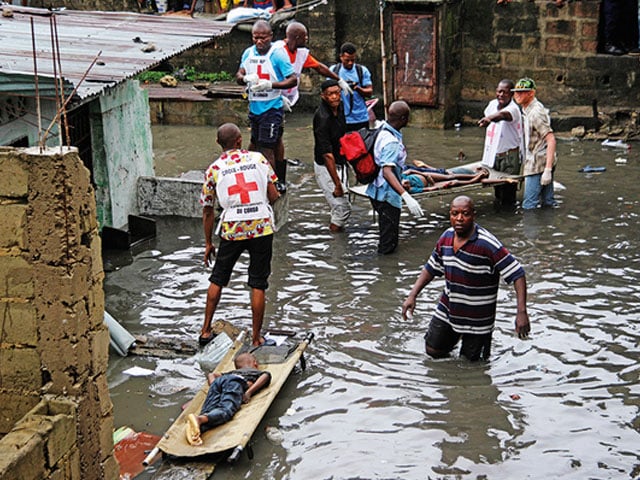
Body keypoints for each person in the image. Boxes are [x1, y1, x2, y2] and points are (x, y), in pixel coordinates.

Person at [402, 195, 530, 361]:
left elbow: (517, 274)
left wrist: (521, 312)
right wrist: (412, 295)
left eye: (465, 213)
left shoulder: (487, 244)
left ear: (473, 215)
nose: (459, 218)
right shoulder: (446, 237)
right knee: (433, 350)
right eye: (455, 214)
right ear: (450, 215)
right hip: (449, 308)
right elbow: (431, 268)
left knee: (472, 365)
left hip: (478, 318)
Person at [199, 123, 280, 348]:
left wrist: (207, 243)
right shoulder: (259, 159)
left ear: (219, 144)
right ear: (240, 141)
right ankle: (256, 337)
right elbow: (273, 195)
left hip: (232, 227)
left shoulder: (214, 169)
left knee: (218, 278)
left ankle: (205, 330)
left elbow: (207, 210)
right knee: (258, 283)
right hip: (261, 226)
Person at [236, 20, 297, 190]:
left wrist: (270, 85)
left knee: (267, 147)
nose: (259, 41)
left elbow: (293, 79)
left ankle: (272, 184)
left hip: (272, 107)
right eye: (256, 38)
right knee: (260, 142)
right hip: (255, 107)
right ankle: (271, 177)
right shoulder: (248, 53)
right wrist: (244, 78)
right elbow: (239, 73)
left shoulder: (277, 54)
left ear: (270, 36)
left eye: (263, 38)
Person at [366, 101, 424, 254]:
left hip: (376, 191)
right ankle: (386, 273)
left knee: (386, 234)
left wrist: (400, 179)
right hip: (387, 196)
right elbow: (387, 172)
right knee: (388, 244)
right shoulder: (391, 141)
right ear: (404, 118)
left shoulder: (382, 130)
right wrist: (406, 197)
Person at [185, 352, 271, 446]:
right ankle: (199, 419)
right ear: (255, 363)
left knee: (209, 411)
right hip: (234, 383)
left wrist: (215, 386)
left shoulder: (231, 373)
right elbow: (266, 376)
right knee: (226, 410)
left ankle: (198, 428)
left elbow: (211, 374)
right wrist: (249, 392)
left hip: (219, 382)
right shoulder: (254, 372)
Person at [275, 22, 351, 108]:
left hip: (288, 98)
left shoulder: (300, 52)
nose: (307, 38)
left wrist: (339, 80)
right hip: (273, 98)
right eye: (305, 36)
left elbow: (319, 67)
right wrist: (278, 97)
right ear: (297, 37)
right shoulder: (277, 51)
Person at [511, 78, 558, 210]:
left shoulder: (535, 113)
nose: (518, 95)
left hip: (537, 163)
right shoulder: (528, 109)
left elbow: (551, 139)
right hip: (542, 159)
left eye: (522, 92)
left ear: (531, 93)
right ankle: (548, 226)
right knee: (548, 202)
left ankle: (530, 229)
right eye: (516, 92)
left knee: (528, 205)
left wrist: (547, 170)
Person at [478, 79, 523, 207]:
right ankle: (498, 213)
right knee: (497, 190)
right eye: (499, 91)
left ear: (512, 94)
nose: (501, 95)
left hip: (509, 157)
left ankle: (509, 218)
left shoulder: (514, 109)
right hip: (494, 155)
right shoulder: (492, 104)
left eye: (505, 92)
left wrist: (489, 119)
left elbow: (503, 115)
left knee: (508, 191)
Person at [313, 79, 350, 232]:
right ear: (323, 96)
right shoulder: (322, 118)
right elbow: (327, 155)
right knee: (342, 209)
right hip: (326, 165)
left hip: (340, 160)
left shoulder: (340, 107)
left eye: (337, 93)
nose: (335, 97)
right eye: (330, 95)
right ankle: (335, 246)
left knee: (343, 204)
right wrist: (337, 184)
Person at [330, 42, 374, 131]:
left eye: (353, 60)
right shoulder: (334, 71)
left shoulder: (361, 70)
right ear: (341, 57)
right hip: (341, 118)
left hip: (361, 117)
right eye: (347, 60)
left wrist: (357, 88)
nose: (350, 63)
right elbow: (328, 93)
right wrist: (340, 87)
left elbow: (369, 92)